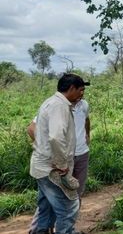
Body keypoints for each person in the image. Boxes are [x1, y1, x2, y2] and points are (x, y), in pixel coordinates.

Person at [29, 73, 89, 234]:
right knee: (69, 206)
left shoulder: (51, 102)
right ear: (71, 88)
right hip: (52, 169)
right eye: (81, 90)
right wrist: (62, 164)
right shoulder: (59, 106)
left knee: (46, 207)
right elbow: (56, 137)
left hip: (42, 167)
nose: (82, 94)